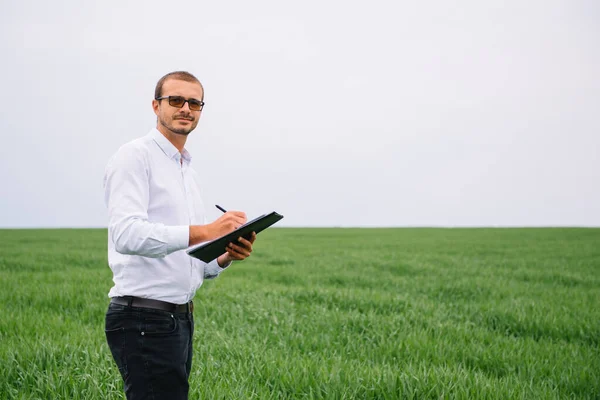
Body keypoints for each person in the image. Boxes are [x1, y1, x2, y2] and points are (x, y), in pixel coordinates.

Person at [103, 70, 256, 399]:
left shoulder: (187, 172)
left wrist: (226, 254)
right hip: (143, 317)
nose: (185, 108)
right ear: (156, 106)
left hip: (179, 318)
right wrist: (209, 230)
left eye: (194, 103)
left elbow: (189, 261)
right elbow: (126, 235)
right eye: (175, 100)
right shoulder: (134, 157)